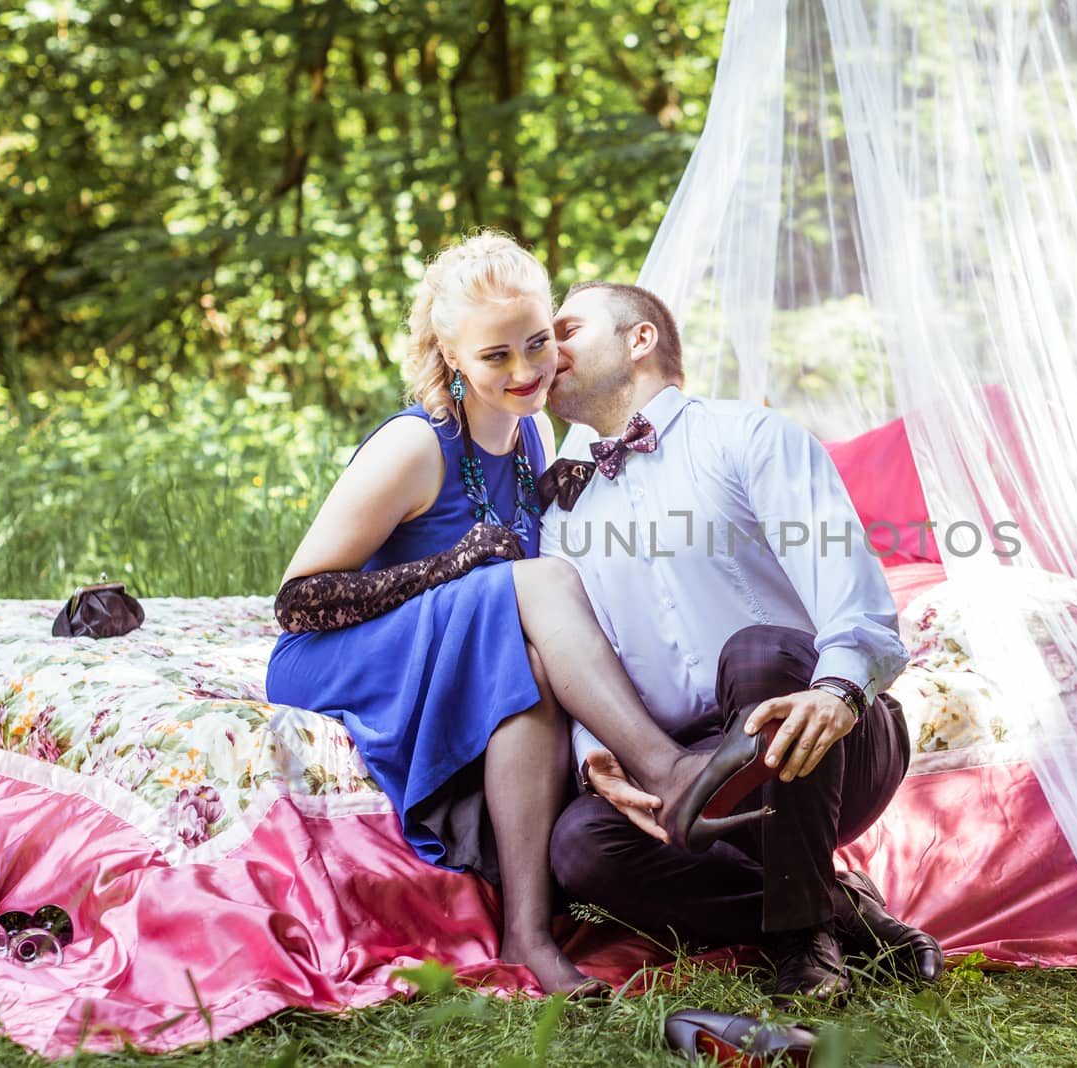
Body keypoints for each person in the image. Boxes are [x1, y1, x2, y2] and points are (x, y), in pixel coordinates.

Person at [264, 233, 733, 997]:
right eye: (495, 358)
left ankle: (526, 931)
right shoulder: (416, 445)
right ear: (451, 355)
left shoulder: (535, 435)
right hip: (344, 656)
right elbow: (298, 604)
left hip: (452, 651)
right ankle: (670, 771)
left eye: (538, 343)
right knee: (539, 583)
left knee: (538, 664)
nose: (525, 372)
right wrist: (453, 567)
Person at [542, 281, 944, 1004]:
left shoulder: (752, 436)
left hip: (829, 730)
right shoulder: (563, 511)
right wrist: (590, 749)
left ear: (640, 340)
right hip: (692, 768)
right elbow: (580, 655)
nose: (548, 348)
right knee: (580, 846)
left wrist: (839, 690)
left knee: (760, 652)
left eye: (567, 328)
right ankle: (842, 909)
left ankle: (803, 943)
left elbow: (858, 606)